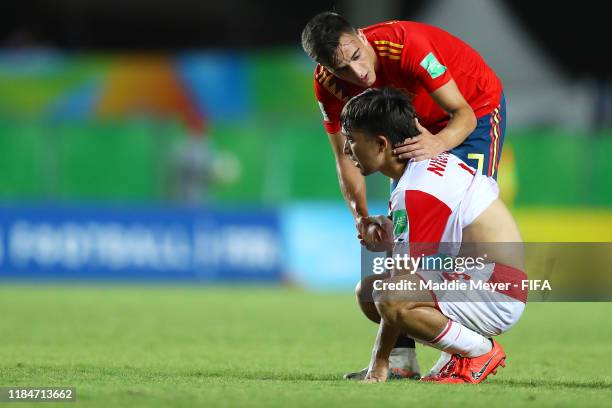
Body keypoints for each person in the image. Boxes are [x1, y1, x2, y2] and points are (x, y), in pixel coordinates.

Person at [301, 11, 506, 380]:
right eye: (342, 69)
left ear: (361, 36)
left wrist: (437, 143)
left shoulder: (405, 46)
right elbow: (344, 155)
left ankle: (471, 347)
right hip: (411, 129)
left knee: (459, 232)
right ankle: (401, 358)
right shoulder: (327, 86)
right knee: (404, 247)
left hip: (470, 109)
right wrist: (360, 217)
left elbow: (463, 114)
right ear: (323, 67)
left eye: (356, 57)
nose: (358, 74)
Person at [340, 87, 526, 383]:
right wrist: (392, 241)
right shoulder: (419, 170)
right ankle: (407, 363)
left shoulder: (416, 191)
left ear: (380, 143)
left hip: (496, 290)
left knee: (390, 296)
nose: (347, 150)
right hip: (479, 277)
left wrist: (378, 363)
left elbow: (399, 284)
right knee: (368, 291)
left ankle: (479, 351)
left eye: (351, 140)